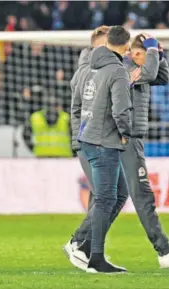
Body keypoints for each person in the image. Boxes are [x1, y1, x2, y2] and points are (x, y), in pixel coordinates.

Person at [65, 32, 169, 270]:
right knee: (138, 195)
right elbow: (151, 73)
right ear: (131, 52)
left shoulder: (136, 68)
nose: (144, 58)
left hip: (126, 138)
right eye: (142, 53)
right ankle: (164, 249)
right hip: (123, 138)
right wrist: (153, 50)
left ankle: (82, 243)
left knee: (113, 196)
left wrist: (159, 55)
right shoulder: (123, 68)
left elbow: (161, 76)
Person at [71, 25, 132, 273]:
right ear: (126, 47)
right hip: (104, 141)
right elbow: (120, 109)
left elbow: (81, 104)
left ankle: (87, 247)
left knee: (118, 194)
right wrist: (126, 132)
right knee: (107, 199)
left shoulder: (90, 68)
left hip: (89, 138)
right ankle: (94, 256)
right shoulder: (117, 71)